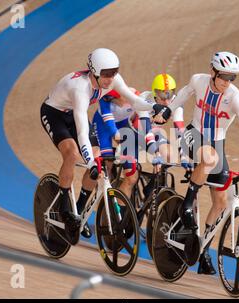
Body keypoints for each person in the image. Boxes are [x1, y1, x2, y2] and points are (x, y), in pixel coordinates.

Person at [40, 48, 168, 242]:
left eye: (114, 72)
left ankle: (79, 212)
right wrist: (89, 162)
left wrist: (154, 107)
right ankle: (65, 208)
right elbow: (82, 130)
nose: (111, 78)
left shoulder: (113, 79)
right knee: (73, 154)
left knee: (99, 158)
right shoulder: (80, 89)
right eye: (107, 74)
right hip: (54, 113)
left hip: (74, 113)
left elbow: (134, 100)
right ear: (95, 72)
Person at [157, 51, 239, 275]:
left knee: (221, 202)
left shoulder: (235, 97)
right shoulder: (199, 80)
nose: (227, 82)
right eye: (224, 76)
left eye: (232, 78)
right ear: (212, 71)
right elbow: (181, 97)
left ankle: (203, 250)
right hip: (192, 134)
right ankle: (187, 204)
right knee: (210, 157)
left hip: (217, 142)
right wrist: (167, 111)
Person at [91, 73, 184, 210]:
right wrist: (155, 154)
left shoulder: (176, 103)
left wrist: (185, 154)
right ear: (154, 93)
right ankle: (119, 215)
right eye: (163, 95)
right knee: (131, 178)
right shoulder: (144, 100)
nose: (166, 100)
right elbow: (146, 131)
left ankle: (151, 186)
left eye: (170, 95)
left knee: (171, 155)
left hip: (154, 133)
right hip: (133, 135)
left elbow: (179, 130)